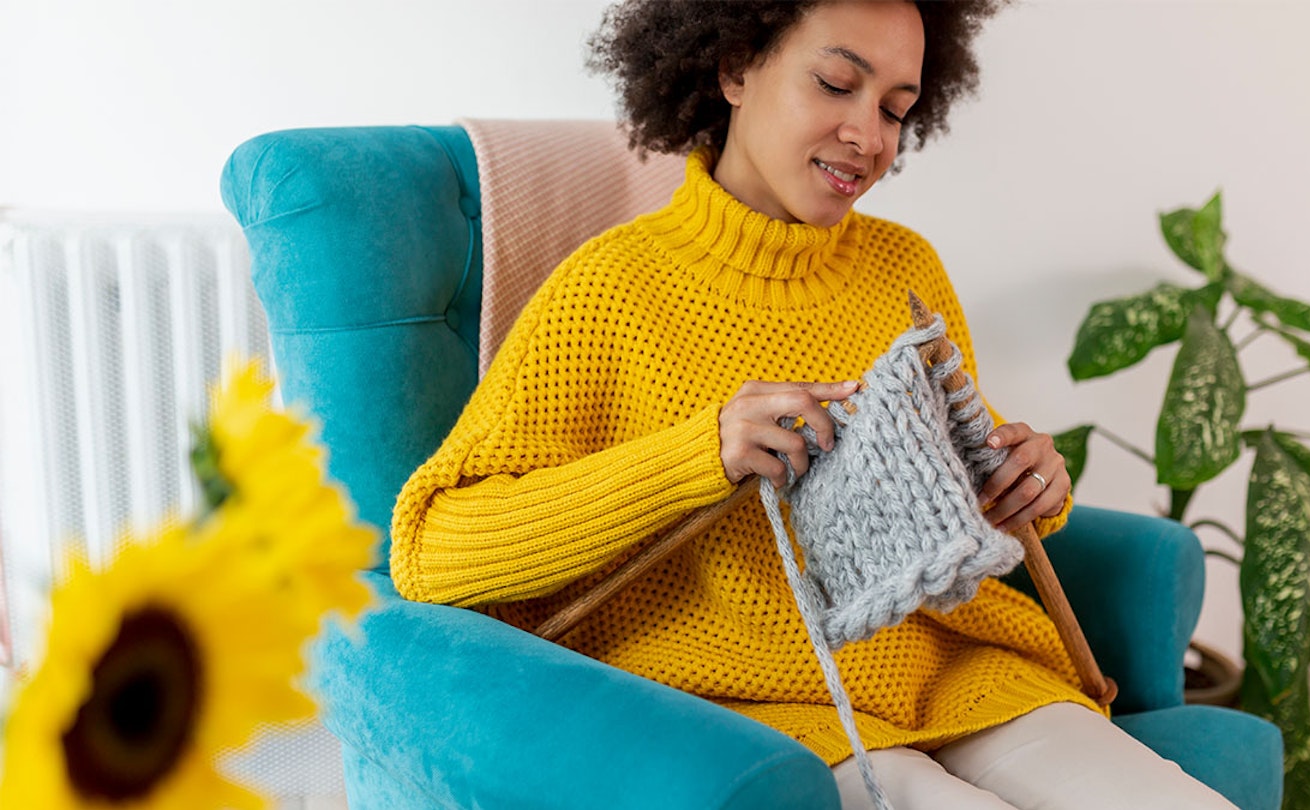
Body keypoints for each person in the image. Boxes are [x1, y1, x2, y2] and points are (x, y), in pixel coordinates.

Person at [390, 2, 1237, 808]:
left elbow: (947, 508)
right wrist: (699, 457)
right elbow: (429, 551)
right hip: (767, 715)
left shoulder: (907, 269)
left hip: (967, 674)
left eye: (897, 109)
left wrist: (1022, 491)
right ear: (733, 68)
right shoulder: (610, 291)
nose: (868, 137)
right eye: (836, 84)